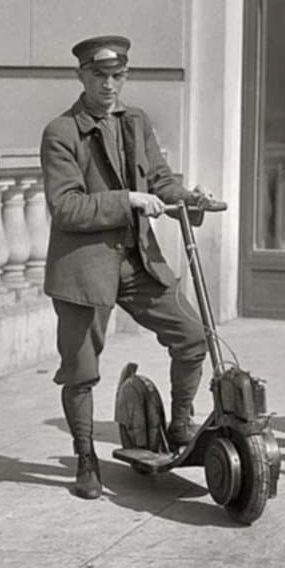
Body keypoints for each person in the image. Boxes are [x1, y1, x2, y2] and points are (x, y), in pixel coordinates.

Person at [39, 35, 210, 499]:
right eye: (100, 75)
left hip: (139, 263)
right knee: (81, 371)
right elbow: (66, 208)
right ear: (81, 76)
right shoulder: (62, 132)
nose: (110, 84)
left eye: (118, 76)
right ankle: (86, 459)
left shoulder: (136, 121)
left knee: (193, 336)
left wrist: (189, 198)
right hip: (83, 269)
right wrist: (128, 200)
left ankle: (179, 423)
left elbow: (159, 179)